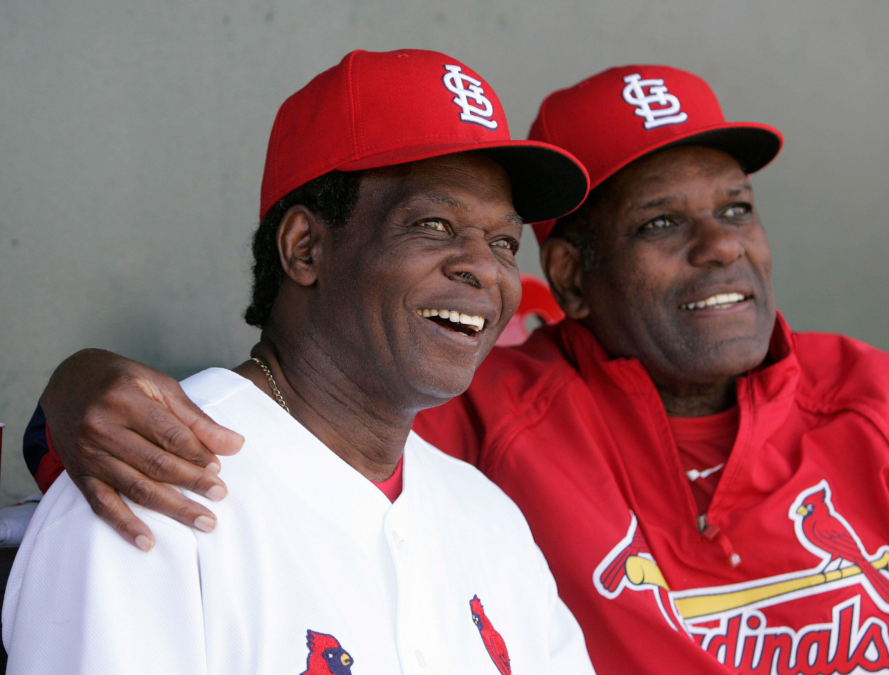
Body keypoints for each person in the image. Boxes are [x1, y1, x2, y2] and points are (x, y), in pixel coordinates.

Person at [21, 64, 889, 674]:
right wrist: (78, 393)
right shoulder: (487, 414)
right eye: (659, 223)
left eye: (735, 209)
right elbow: (264, 430)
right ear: (577, 275)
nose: (721, 249)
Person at [3, 48, 597, 675]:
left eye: (503, 241)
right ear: (305, 248)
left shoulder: (487, 517)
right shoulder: (153, 481)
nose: (483, 266)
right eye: (434, 224)